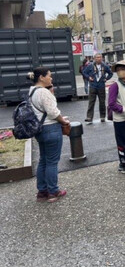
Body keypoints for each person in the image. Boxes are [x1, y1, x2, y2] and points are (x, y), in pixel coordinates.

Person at [28, 67, 70, 203]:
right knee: (52, 162)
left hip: (40, 129)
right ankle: (53, 191)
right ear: (41, 77)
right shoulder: (43, 92)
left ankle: (42, 191)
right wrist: (64, 121)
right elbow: (53, 112)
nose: (51, 78)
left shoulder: (32, 91)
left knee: (43, 160)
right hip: (51, 128)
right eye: (49, 76)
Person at [83, 53, 113, 123]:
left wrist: (106, 78)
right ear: (94, 59)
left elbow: (110, 73)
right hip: (93, 86)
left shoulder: (105, 66)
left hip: (101, 86)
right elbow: (84, 72)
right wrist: (88, 77)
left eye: (100, 57)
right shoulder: (90, 66)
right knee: (91, 102)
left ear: (102, 58)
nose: (98, 59)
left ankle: (102, 116)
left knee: (102, 102)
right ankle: (89, 117)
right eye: (97, 57)